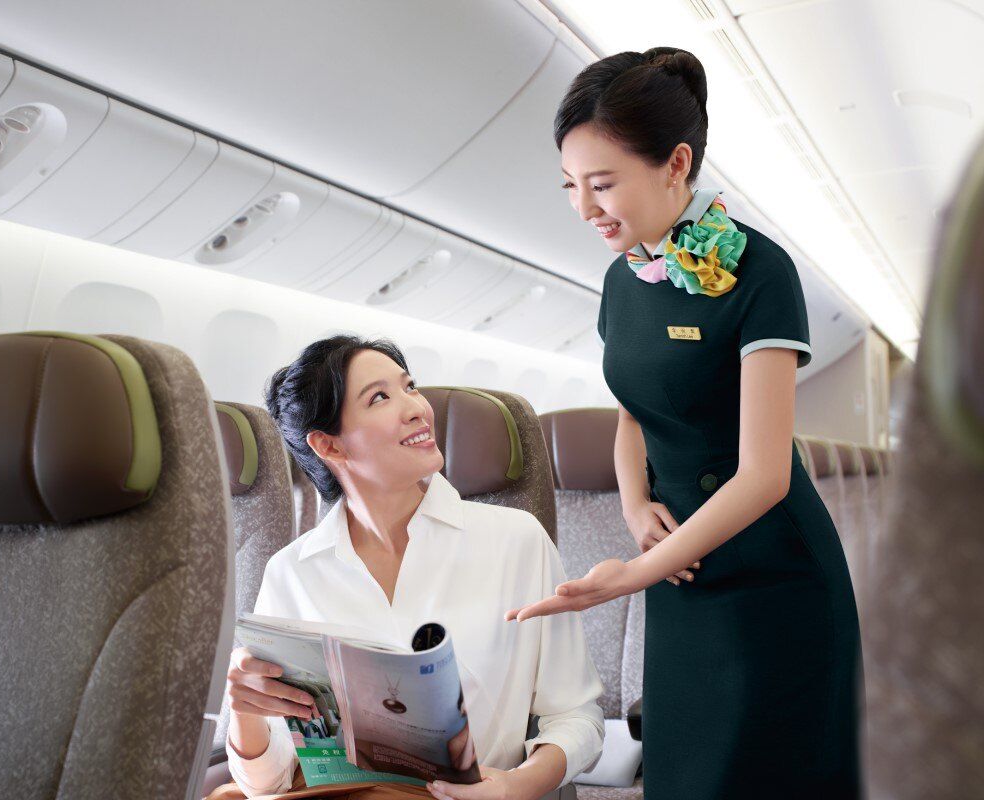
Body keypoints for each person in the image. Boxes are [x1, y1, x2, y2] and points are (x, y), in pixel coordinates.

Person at [506, 47, 862, 799]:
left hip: (772, 576)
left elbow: (764, 475)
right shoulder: (620, 279)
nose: (584, 208)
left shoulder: (761, 272)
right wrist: (636, 508)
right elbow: (634, 413)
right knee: (686, 774)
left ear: (676, 163)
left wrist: (631, 576)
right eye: (570, 185)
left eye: (603, 184)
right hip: (681, 574)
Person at [210, 335, 605, 800]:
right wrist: (246, 712)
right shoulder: (292, 571)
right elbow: (268, 784)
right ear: (328, 445)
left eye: (409, 386)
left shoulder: (515, 540)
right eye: (379, 397)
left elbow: (577, 716)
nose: (417, 407)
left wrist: (518, 786)